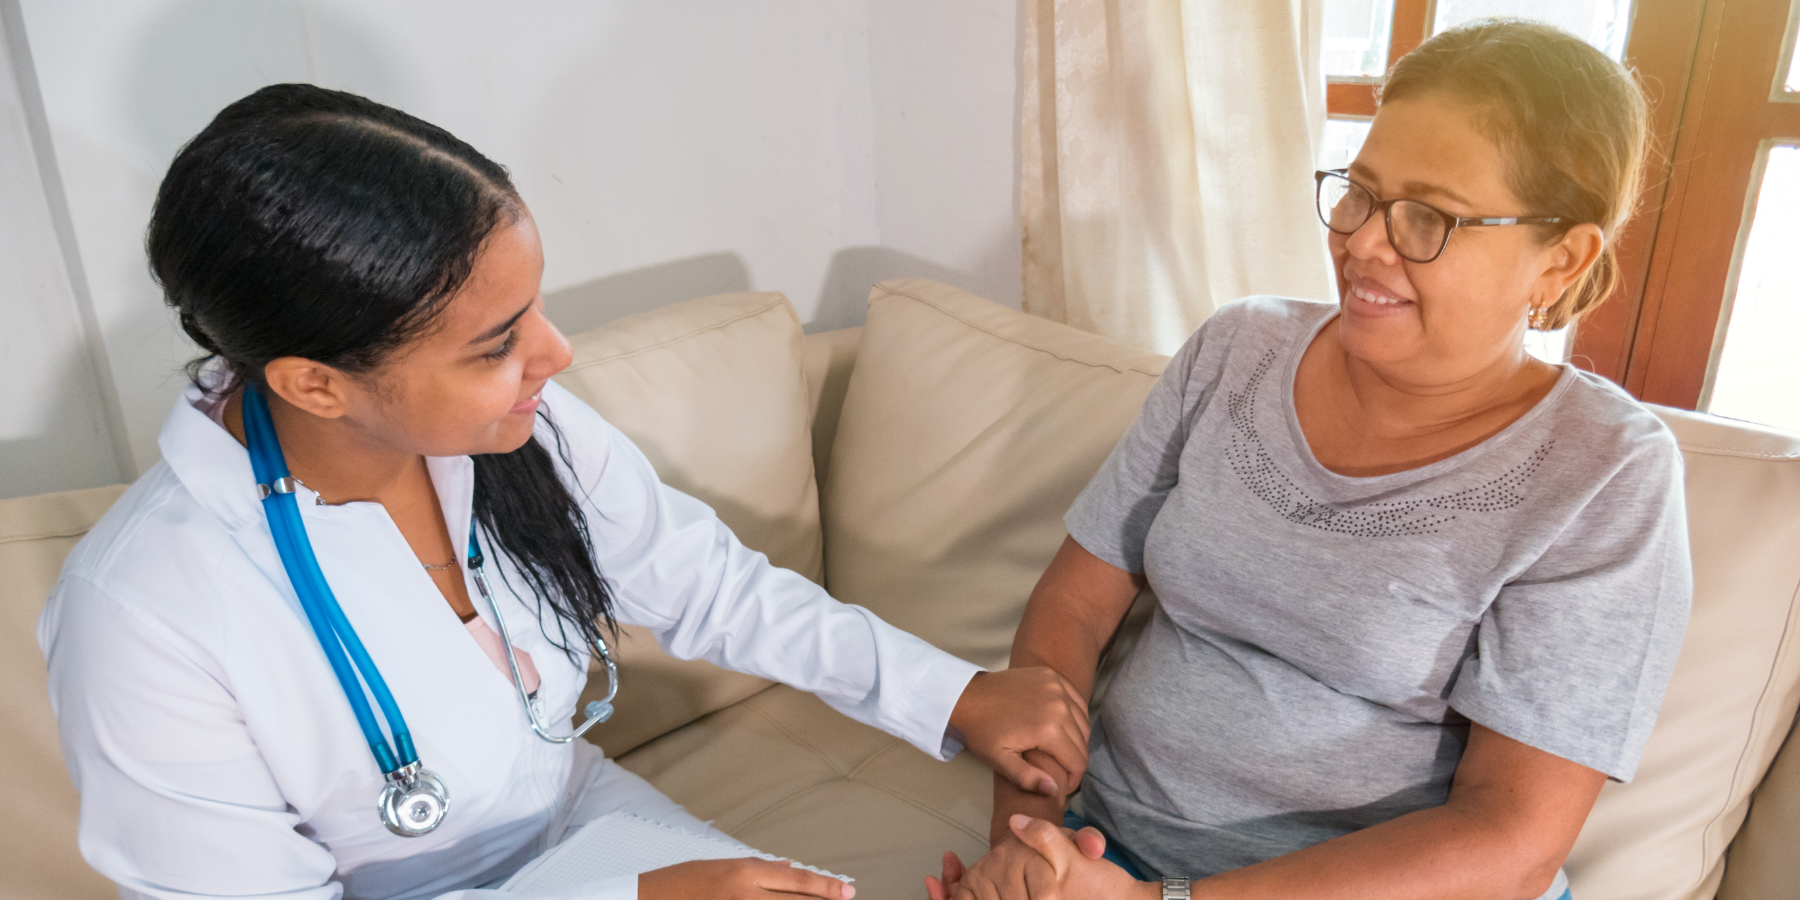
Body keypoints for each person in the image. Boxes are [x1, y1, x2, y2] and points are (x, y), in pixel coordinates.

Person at [38, 84, 1092, 900]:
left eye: (535, 308)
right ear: (315, 383)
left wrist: (949, 693)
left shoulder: (510, 430)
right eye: (497, 343)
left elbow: (706, 588)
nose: (557, 353)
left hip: (588, 825)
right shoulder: (145, 615)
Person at [928, 20, 1691, 900]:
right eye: (1359, 192)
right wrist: (1027, 846)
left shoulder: (1603, 474)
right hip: (1106, 854)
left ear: (1560, 258)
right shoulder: (1236, 350)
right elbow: (1073, 604)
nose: (1365, 242)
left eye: (1428, 218)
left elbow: (1511, 840)